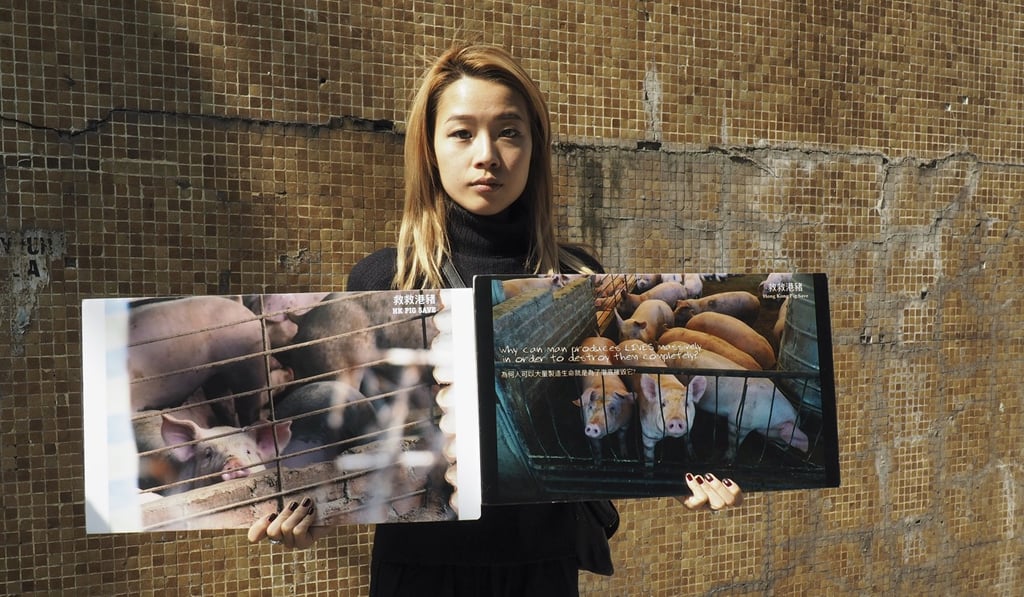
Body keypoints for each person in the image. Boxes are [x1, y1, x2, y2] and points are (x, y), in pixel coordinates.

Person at [248, 42, 743, 596]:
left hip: (543, 568)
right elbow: (349, 422)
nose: (486, 154)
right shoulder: (382, 279)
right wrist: (299, 503)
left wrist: (688, 469)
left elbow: (617, 390)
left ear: (535, 148)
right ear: (429, 149)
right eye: (461, 132)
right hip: (418, 571)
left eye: (509, 131)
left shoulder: (577, 274)